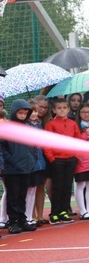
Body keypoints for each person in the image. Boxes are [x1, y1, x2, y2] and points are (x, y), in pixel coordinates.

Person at [0, 100, 38, 234]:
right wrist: (9, 160)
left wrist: (33, 159)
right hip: (12, 168)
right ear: (14, 112)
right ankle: (13, 221)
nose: (23, 115)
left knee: (22, 194)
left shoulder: (29, 127)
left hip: (26, 167)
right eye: (20, 113)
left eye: (25, 113)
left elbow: (34, 144)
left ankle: (22, 219)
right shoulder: (8, 127)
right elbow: (2, 146)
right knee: (13, 195)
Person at [43, 98, 79, 224]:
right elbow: (46, 143)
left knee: (67, 186)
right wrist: (52, 158)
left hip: (70, 159)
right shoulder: (50, 125)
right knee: (57, 186)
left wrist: (76, 156)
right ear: (54, 110)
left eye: (64, 108)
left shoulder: (73, 124)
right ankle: (54, 213)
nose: (62, 110)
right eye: (59, 108)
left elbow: (77, 140)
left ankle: (64, 211)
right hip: (57, 160)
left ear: (68, 109)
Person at [25, 100, 47, 225]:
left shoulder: (39, 125)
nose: (34, 113)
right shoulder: (25, 126)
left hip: (40, 162)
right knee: (30, 189)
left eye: (35, 111)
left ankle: (39, 216)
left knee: (39, 188)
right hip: (30, 164)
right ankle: (30, 215)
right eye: (31, 111)